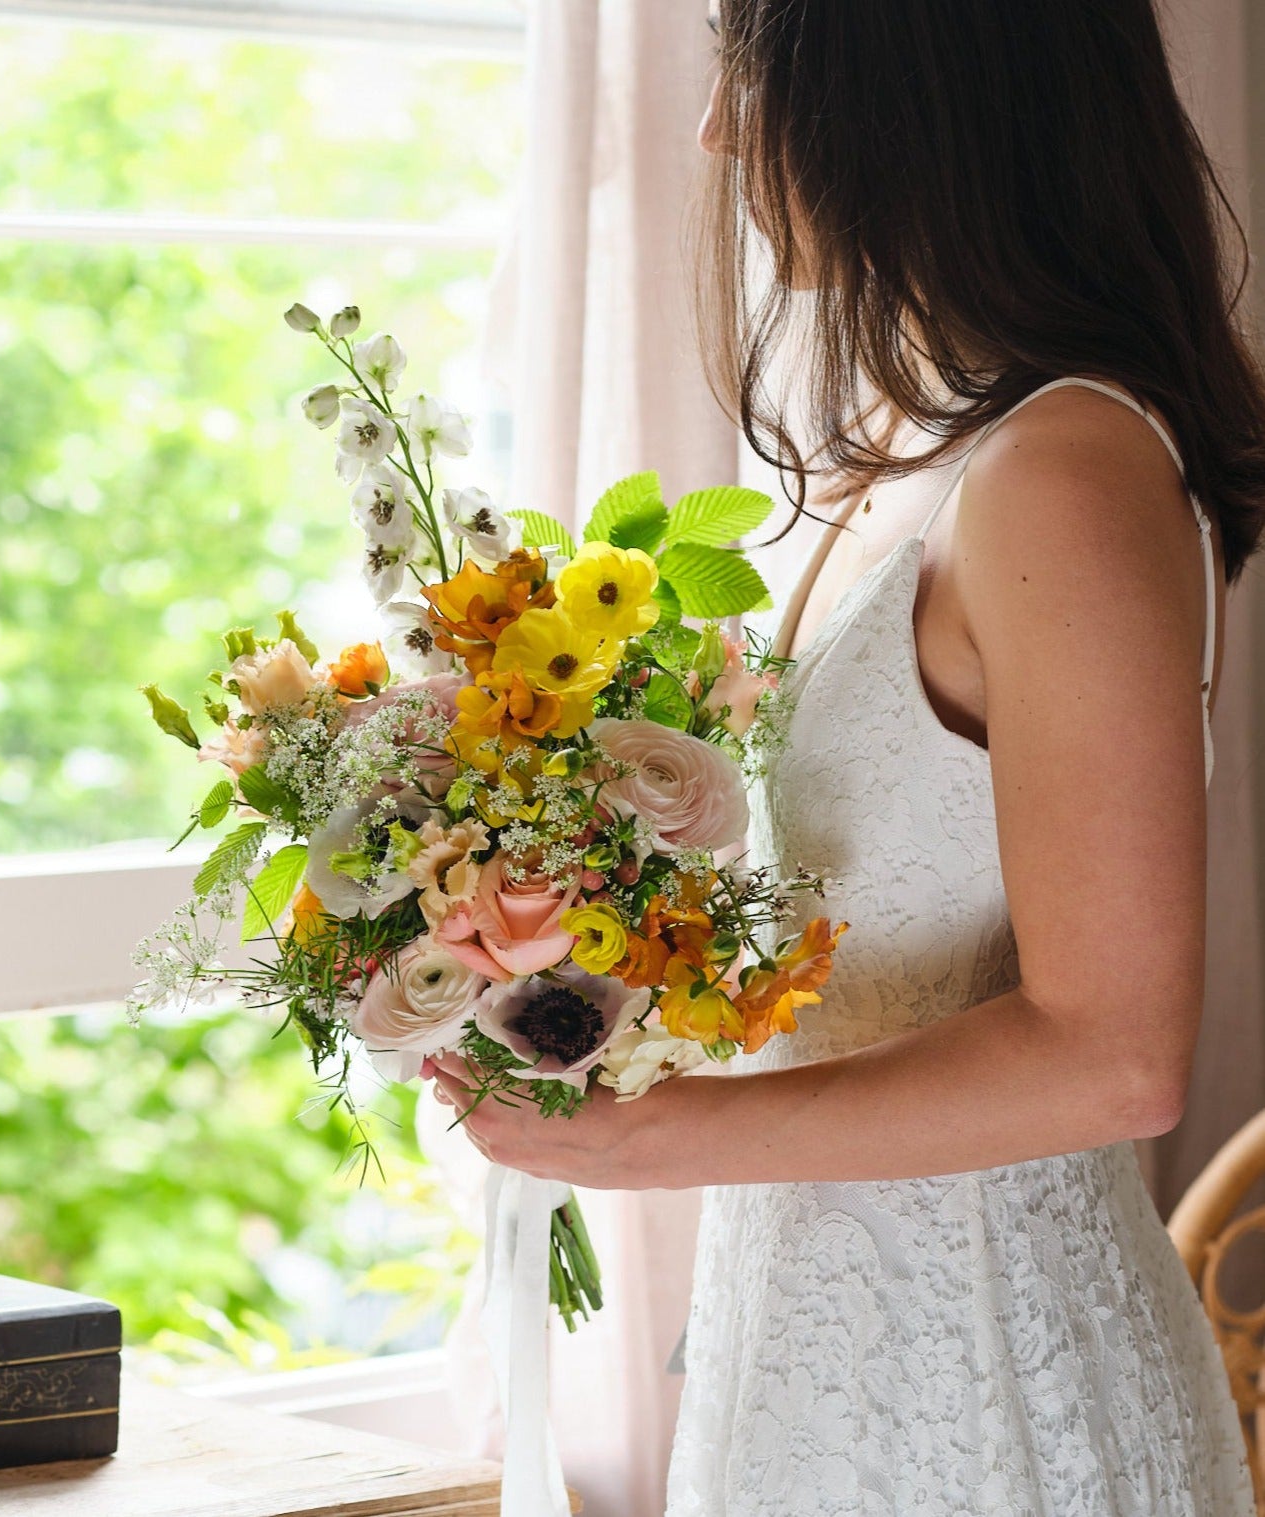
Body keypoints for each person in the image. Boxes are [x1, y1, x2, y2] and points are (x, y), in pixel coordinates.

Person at [425, 0, 1265, 1510]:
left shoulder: (1063, 470)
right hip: (810, 1337)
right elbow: (854, 918)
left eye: (752, 79)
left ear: (915, 97)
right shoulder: (910, 432)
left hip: (996, 1374)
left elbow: (1117, 1050)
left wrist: (668, 1141)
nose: (716, 134)